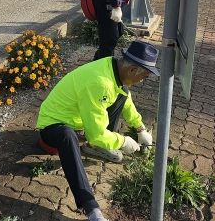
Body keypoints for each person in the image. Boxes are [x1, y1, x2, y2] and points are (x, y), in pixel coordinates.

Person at [36, 40, 158, 221]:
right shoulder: (100, 83)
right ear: (132, 70)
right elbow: (96, 134)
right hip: (52, 128)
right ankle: (92, 210)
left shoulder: (113, 68)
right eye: (145, 76)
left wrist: (139, 128)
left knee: (121, 94)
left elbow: (126, 99)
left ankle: (98, 146)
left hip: (76, 122)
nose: (143, 80)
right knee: (68, 136)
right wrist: (123, 141)